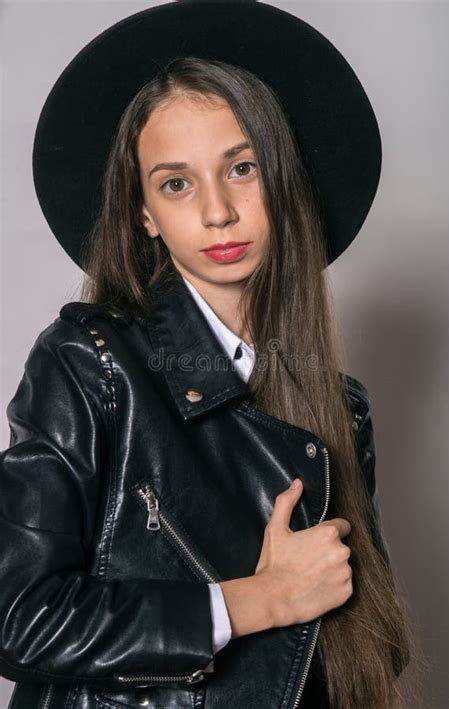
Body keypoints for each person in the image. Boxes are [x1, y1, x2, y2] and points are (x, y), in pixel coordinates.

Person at [0, 2, 417, 707]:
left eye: (243, 167)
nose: (217, 210)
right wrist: (257, 600)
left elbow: (367, 643)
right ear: (143, 212)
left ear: (282, 182)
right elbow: (19, 617)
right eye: (176, 183)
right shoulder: (89, 363)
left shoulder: (340, 405)